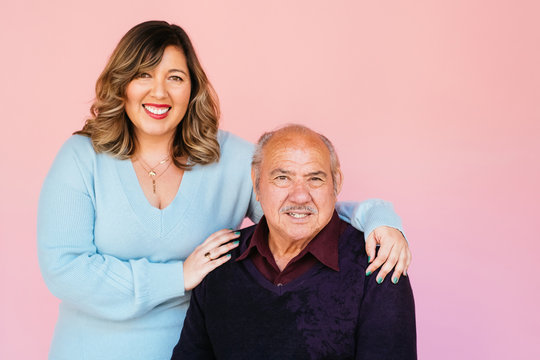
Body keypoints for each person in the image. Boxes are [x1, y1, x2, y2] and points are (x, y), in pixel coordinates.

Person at [37, 21, 411, 360]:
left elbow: (298, 205)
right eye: (142, 75)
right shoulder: (81, 157)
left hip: (189, 348)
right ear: (121, 84)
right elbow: (64, 269)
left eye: (175, 78)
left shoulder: (231, 158)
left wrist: (379, 217)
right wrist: (178, 276)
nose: (159, 92)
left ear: (193, 88)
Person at [172, 125, 417, 359]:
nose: (300, 196)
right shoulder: (221, 260)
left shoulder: (379, 265)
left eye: (315, 179)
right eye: (282, 178)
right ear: (256, 183)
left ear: (336, 183)